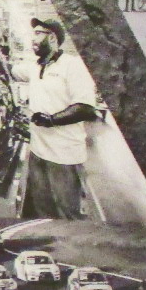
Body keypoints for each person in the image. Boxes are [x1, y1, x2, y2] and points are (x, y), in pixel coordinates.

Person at [22, 19, 101, 219]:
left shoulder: (72, 66)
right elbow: (12, 71)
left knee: (68, 214)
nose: (33, 38)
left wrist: (51, 120)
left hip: (64, 157)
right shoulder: (35, 67)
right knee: (42, 210)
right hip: (38, 153)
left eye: (38, 33)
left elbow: (85, 107)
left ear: (52, 38)